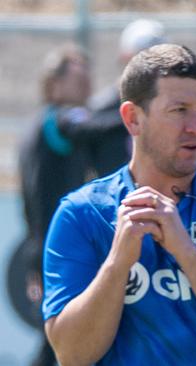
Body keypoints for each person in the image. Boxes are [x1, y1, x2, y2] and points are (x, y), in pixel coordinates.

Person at [41, 44, 196, 365]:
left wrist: (185, 251)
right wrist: (117, 265)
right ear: (133, 119)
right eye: (179, 110)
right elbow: (71, 354)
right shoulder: (82, 213)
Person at [17, 44, 93, 366]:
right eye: (78, 81)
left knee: (59, 338)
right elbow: (93, 126)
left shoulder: (39, 125)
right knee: (59, 341)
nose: (86, 87)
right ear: (55, 83)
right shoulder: (57, 123)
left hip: (45, 247)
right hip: (57, 249)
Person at [86, 18, 167, 177]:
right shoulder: (101, 110)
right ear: (125, 58)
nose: (149, 70)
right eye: (141, 60)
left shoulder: (171, 109)